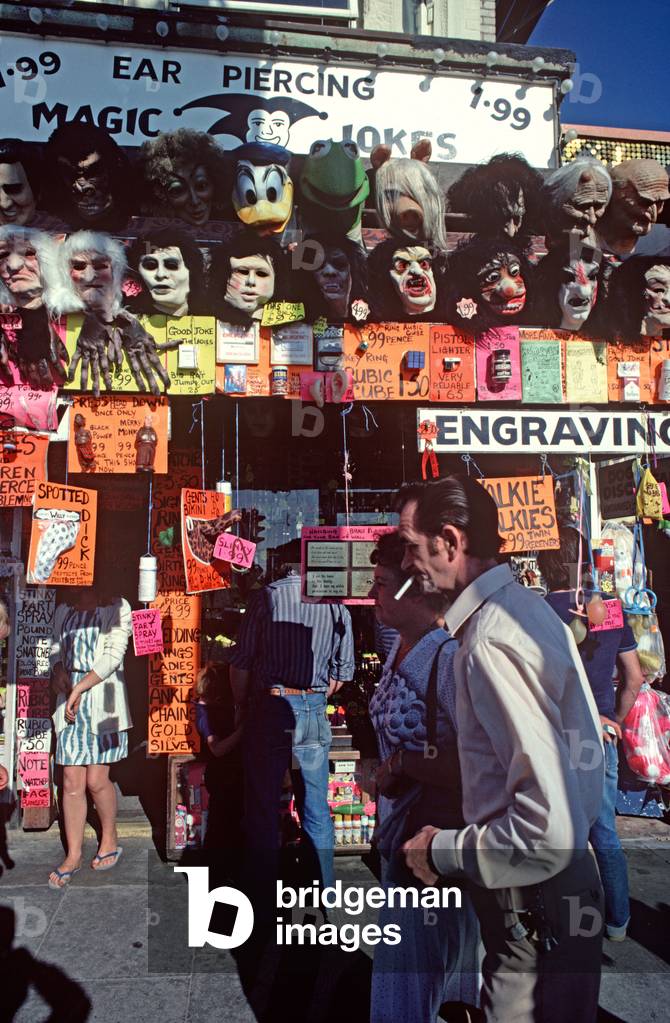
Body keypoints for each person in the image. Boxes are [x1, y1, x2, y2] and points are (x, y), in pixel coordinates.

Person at [397, 475, 605, 1023]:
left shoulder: (489, 639)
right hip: (557, 898)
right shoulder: (527, 611)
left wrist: (441, 849)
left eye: (412, 547)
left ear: (449, 541)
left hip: (533, 908)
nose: (408, 565)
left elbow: (546, 829)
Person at [367, 531, 480, 1023]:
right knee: (409, 968)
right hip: (399, 835)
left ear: (414, 591)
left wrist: (402, 764)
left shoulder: (448, 657)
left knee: (416, 976)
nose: (372, 593)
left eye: (381, 583)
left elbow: (480, 761)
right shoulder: (398, 644)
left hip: (432, 841)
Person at [229, 539, 354, 924]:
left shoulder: (267, 597)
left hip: (271, 707)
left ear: (283, 564)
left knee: (263, 806)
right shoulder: (335, 604)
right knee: (315, 806)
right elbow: (342, 674)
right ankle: (326, 896)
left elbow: (241, 663)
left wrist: (240, 706)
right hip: (313, 707)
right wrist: (312, 695)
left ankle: (262, 900)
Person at [537, 528, 644, 942]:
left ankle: (564, 922)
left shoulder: (538, 611)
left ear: (545, 563)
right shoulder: (611, 610)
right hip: (601, 737)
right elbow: (634, 678)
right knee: (603, 830)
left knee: (559, 830)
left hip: (557, 734)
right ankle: (617, 921)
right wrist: (614, 718)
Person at [49, 587, 132, 890]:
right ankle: (73, 855)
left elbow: (113, 655)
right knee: (71, 780)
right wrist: (58, 670)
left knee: (97, 780)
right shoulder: (64, 610)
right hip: (70, 701)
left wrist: (79, 688)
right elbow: (54, 646)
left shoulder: (117, 606)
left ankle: (109, 837)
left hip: (103, 701)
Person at [194, 661, 244, 874]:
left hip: (226, 773)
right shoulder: (206, 711)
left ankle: (221, 868)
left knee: (222, 823)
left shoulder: (208, 708)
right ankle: (221, 869)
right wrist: (242, 731)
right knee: (224, 823)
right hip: (224, 774)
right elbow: (217, 748)